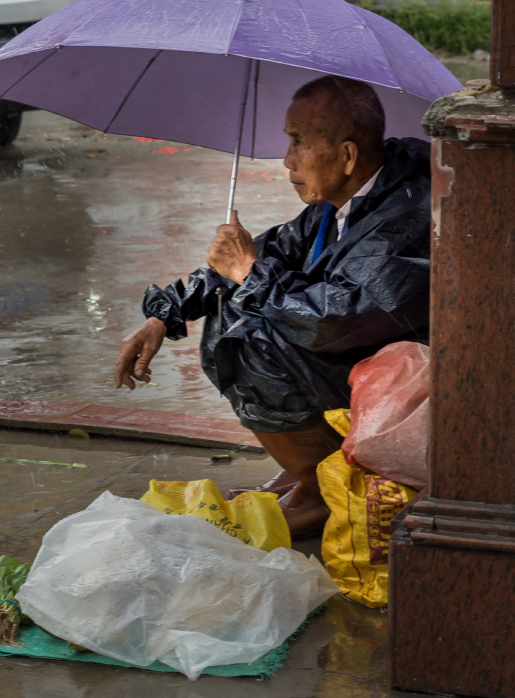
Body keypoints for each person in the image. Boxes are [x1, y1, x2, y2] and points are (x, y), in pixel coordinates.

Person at [113, 75, 432, 538]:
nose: (287, 160)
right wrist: (165, 313)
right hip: (357, 364)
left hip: (404, 387)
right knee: (235, 302)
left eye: (299, 143)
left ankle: (326, 482)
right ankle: (314, 468)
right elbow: (267, 255)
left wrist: (248, 272)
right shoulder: (343, 202)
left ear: (346, 156)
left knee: (248, 338)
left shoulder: (404, 212)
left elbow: (332, 321)